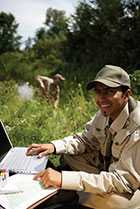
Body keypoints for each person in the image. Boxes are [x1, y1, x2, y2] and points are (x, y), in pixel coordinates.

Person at [27, 65, 140, 209]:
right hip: (109, 170)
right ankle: (76, 191)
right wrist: (53, 146)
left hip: (130, 183)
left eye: (109, 91)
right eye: (98, 92)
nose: (102, 98)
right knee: (69, 154)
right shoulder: (106, 112)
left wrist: (64, 179)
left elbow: (124, 181)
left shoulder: (137, 127)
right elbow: (85, 140)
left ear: (126, 94)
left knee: (117, 203)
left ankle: (73, 192)